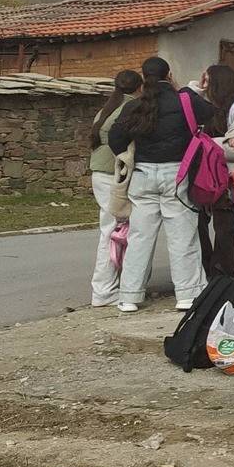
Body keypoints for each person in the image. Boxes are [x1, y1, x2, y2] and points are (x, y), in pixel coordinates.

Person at [107, 56, 220, 313]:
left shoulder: (134, 105)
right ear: (169, 75)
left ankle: (129, 296)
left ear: (143, 76)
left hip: (142, 176)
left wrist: (128, 157)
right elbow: (210, 113)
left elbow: (115, 137)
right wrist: (197, 88)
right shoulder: (185, 100)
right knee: (183, 237)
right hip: (177, 173)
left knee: (139, 237)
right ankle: (187, 295)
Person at [84, 69, 142, 308]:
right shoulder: (132, 108)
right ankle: (104, 290)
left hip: (100, 171)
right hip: (114, 174)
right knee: (113, 231)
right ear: (139, 87)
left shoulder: (107, 107)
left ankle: (109, 287)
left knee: (110, 229)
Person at [196, 63, 234, 278]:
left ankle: (222, 270)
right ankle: (208, 265)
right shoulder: (211, 104)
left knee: (225, 226)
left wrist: (210, 145)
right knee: (201, 222)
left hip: (228, 176)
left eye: (208, 81)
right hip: (210, 173)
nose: (205, 85)